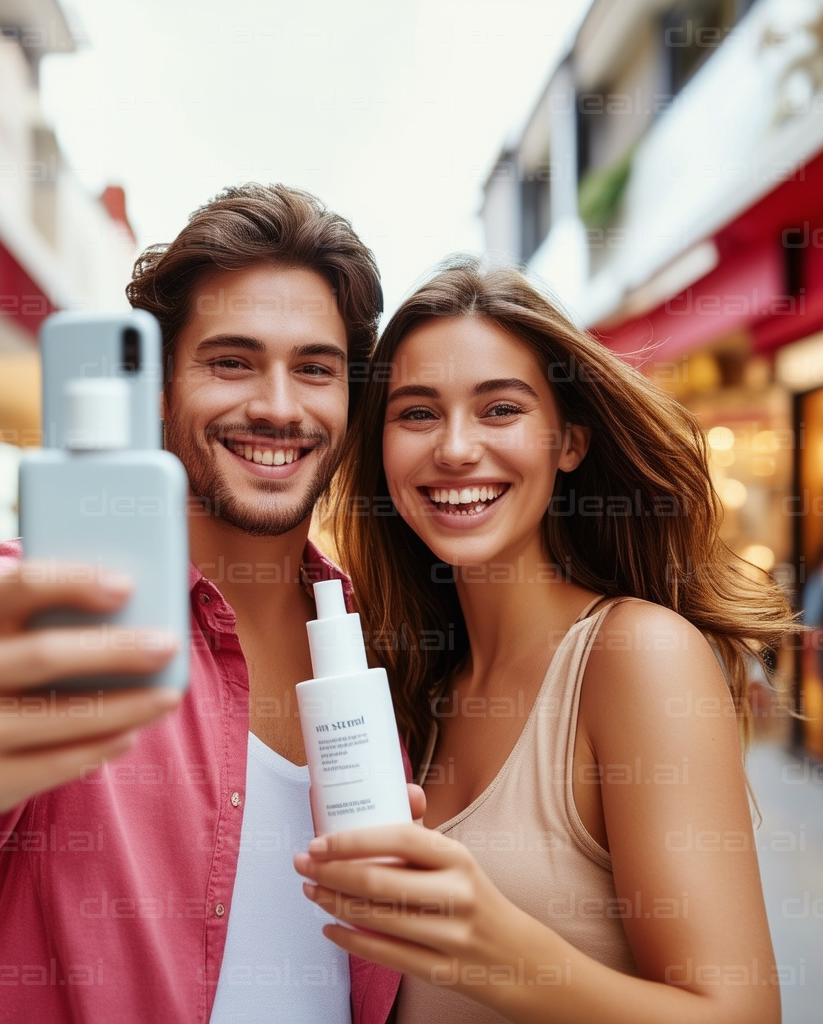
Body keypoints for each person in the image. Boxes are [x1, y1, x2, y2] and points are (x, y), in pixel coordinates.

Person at [0, 184, 423, 1024]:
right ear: (161, 391)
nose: (279, 407)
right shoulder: (55, 598)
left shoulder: (375, 635)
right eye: (232, 361)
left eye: (315, 368)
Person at [294, 260, 794, 1024]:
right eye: (418, 413)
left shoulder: (637, 657)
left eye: (500, 409)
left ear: (569, 442)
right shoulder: (407, 686)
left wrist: (506, 958)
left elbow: (742, 1015)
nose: (456, 449)